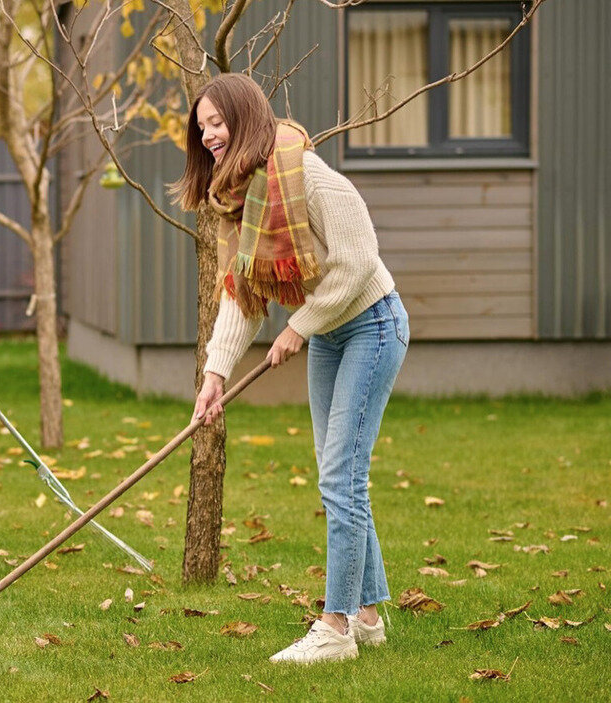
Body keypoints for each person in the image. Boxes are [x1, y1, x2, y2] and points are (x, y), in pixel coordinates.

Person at [171, 73, 409, 664]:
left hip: (373, 325)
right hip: (330, 333)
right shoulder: (244, 199)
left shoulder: (309, 178)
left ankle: (335, 630)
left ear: (245, 118)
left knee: (341, 479)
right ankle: (369, 615)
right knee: (338, 472)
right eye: (201, 128)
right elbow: (240, 295)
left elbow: (357, 263)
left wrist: (300, 325)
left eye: (218, 123)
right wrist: (215, 375)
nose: (209, 137)